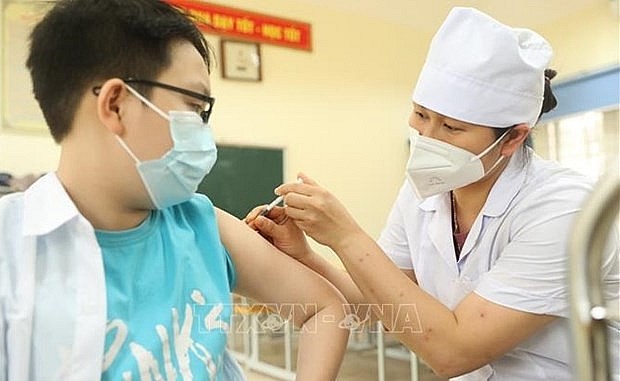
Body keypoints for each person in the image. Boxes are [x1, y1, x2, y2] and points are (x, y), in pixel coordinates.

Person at [246, 7, 620, 381]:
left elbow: (453, 352)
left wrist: (345, 235)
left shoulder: (563, 208)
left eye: (452, 128)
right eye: (421, 115)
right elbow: (377, 307)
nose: (428, 138)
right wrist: (307, 255)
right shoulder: (424, 194)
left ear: (513, 138)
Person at [0, 1, 349, 380]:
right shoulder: (11, 249)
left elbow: (325, 308)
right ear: (115, 105)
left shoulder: (200, 223)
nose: (204, 132)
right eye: (194, 107)